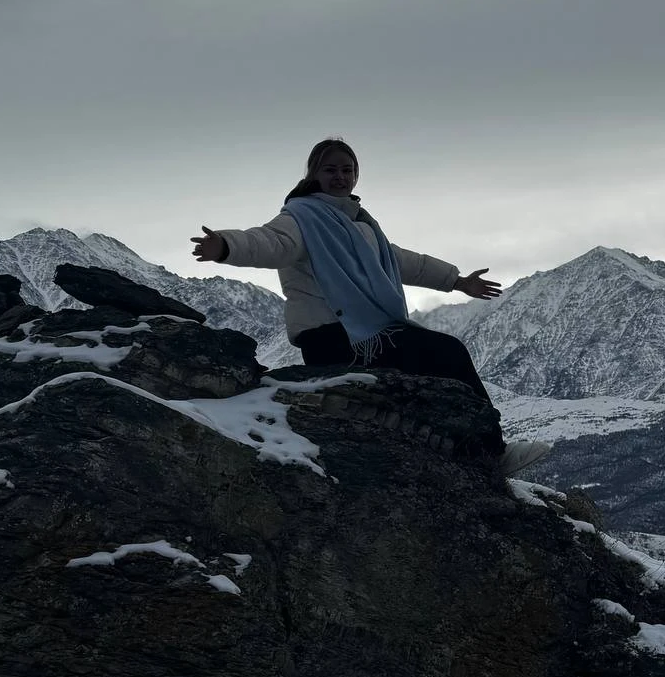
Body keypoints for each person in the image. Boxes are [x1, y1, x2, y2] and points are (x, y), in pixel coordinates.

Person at [191, 138, 551, 477]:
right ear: (313, 174)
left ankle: (472, 453)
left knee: (439, 368)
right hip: (331, 336)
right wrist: (225, 245)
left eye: (347, 170)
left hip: (366, 332)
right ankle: (492, 454)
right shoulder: (301, 218)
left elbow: (397, 260)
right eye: (330, 169)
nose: (340, 177)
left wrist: (457, 281)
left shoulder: (360, 224)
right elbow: (270, 243)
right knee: (447, 354)